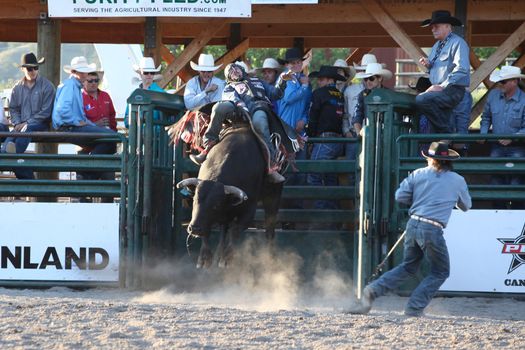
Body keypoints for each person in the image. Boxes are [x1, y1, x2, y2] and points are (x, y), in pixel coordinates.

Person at [348, 141, 471, 317]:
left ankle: (373, 290)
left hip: (413, 223)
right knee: (441, 271)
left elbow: (400, 196)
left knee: (408, 266)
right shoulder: (458, 180)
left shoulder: (417, 174)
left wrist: (420, 199)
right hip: (432, 227)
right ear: (449, 161)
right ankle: (414, 307)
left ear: (429, 158)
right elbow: (466, 205)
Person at [190, 63, 288, 183]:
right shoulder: (229, 86)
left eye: (236, 69)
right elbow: (230, 96)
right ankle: (208, 145)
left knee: (259, 124)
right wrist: (238, 103)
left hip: (258, 106)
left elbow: (275, 94)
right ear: (228, 76)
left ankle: (272, 165)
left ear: (242, 70)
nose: (234, 72)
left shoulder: (258, 81)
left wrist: (282, 80)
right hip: (237, 109)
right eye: (230, 71)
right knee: (219, 107)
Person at [52, 56, 117, 179]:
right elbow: (62, 110)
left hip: (70, 127)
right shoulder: (70, 86)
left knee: (110, 139)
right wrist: (78, 122)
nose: (84, 75)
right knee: (111, 138)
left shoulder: (73, 86)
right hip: (69, 127)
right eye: (81, 72)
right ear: (74, 72)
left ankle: (86, 173)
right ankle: (87, 171)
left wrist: (88, 124)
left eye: (84, 72)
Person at [2, 52, 55, 179]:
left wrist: (26, 123)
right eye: (30, 68)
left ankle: (8, 156)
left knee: (19, 135)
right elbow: (13, 109)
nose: (33, 71)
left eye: (36, 68)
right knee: (12, 137)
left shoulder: (48, 86)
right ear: (23, 69)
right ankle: (27, 176)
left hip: (40, 124)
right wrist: (18, 122)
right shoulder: (16, 88)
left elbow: (46, 112)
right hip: (21, 127)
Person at [416, 10, 470, 133]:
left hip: (453, 90)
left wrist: (441, 86)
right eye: (432, 27)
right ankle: (443, 139)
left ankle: (447, 133)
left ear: (447, 26)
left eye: (436, 26)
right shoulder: (436, 46)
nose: (432, 29)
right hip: (442, 92)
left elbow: (462, 69)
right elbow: (440, 69)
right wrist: (429, 65)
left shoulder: (458, 43)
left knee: (421, 100)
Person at [480, 65, 525, 209]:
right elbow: (486, 117)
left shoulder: (524, 100)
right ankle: (499, 212)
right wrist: (483, 133)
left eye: (503, 82)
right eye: (500, 82)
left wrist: (513, 137)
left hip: (517, 147)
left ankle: (516, 215)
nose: (500, 84)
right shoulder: (493, 96)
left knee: (516, 183)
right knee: (496, 183)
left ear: (514, 81)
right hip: (497, 146)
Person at [306, 66, 346, 211]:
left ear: (330, 79)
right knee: (330, 177)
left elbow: (313, 117)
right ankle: (333, 214)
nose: (319, 82)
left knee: (313, 174)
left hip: (324, 140)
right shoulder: (340, 95)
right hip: (338, 141)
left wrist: (310, 137)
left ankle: (321, 212)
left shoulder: (319, 94)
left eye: (321, 79)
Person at [351, 62, 393, 135]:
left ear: (380, 78)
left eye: (371, 78)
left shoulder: (389, 94)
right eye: (366, 79)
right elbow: (357, 116)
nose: (368, 82)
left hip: (387, 134)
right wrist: (359, 134)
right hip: (370, 134)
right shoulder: (362, 95)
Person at [125, 57, 166, 128]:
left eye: (152, 72)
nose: (149, 75)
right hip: (136, 136)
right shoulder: (133, 94)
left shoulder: (162, 94)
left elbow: (166, 119)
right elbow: (126, 120)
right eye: (146, 72)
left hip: (155, 137)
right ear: (140, 74)